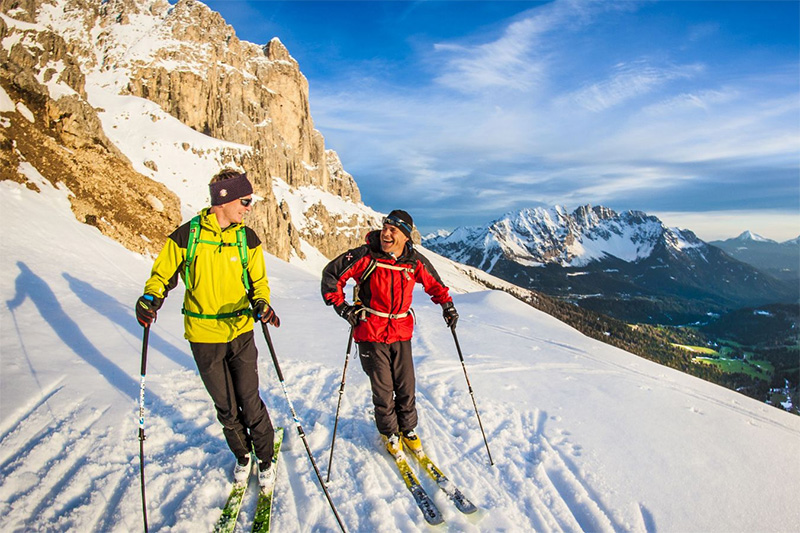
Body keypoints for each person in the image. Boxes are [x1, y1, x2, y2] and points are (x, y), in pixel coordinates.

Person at [135, 169, 280, 490]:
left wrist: (262, 303)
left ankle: (266, 458)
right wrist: (150, 298)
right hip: (203, 336)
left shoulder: (247, 239)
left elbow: (259, 282)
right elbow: (162, 276)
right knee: (226, 406)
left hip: (241, 331)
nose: (249, 207)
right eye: (245, 201)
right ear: (224, 198)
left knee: (250, 399)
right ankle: (243, 455)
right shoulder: (187, 237)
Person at [321, 209, 459, 456]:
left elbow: (434, 284)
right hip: (370, 332)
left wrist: (447, 306)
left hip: (401, 332)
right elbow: (332, 275)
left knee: (406, 385)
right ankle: (389, 433)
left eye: (392, 230)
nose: (386, 233)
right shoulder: (365, 256)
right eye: (385, 228)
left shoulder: (412, 261)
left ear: (405, 236)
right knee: (383, 388)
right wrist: (342, 307)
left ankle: (407, 429)